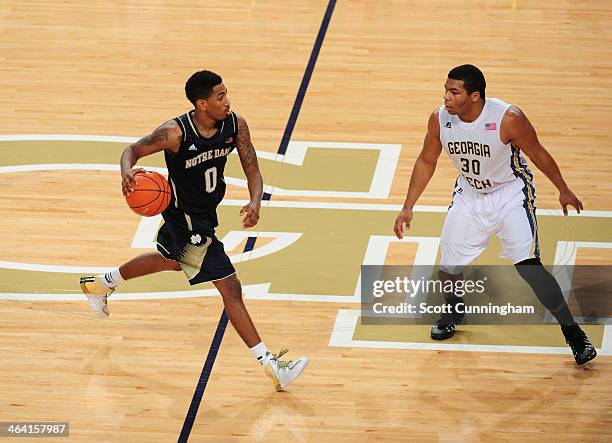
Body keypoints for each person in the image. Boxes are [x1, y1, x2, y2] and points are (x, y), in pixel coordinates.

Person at [80, 70, 309, 389]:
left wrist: (256, 200)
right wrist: (126, 172)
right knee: (231, 289)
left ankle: (100, 284)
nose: (227, 102)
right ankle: (271, 365)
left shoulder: (234, 124)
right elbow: (130, 150)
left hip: (205, 213)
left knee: (171, 261)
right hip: (188, 223)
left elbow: (252, 167)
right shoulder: (174, 133)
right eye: (220, 97)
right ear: (201, 104)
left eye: (227, 94)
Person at [394, 64, 596, 365]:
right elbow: (426, 160)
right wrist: (408, 206)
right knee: (449, 266)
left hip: (509, 194)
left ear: (475, 96)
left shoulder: (508, 119)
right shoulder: (440, 120)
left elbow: (537, 153)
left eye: (454, 91)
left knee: (529, 266)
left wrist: (563, 189)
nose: (446, 97)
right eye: (445, 90)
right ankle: (453, 309)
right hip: (470, 194)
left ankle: (573, 332)